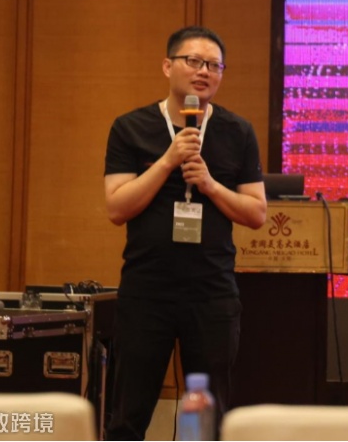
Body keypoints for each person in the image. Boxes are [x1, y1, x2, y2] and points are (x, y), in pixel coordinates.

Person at [104, 26, 266, 440]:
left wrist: (210, 185)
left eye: (214, 65)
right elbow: (116, 208)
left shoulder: (237, 131)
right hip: (147, 290)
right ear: (167, 66)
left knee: (207, 420)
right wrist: (167, 161)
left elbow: (257, 213)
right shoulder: (130, 127)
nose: (204, 71)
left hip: (211, 291)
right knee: (127, 416)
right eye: (193, 61)